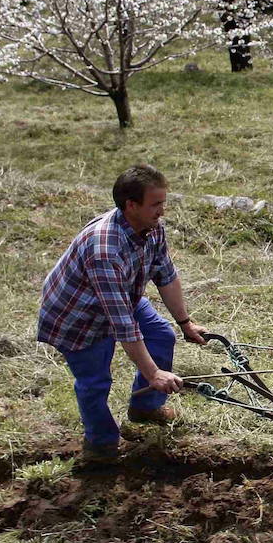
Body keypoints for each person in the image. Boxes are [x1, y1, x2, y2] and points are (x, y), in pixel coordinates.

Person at [37, 164, 208, 462]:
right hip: (78, 315)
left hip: (121, 296)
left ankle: (144, 407)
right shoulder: (104, 248)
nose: (162, 211)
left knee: (161, 334)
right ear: (131, 205)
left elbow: (165, 275)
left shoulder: (152, 229)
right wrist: (152, 372)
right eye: (156, 204)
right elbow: (123, 325)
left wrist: (185, 323)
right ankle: (100, 445)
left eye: (163, 202)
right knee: (95, 381)